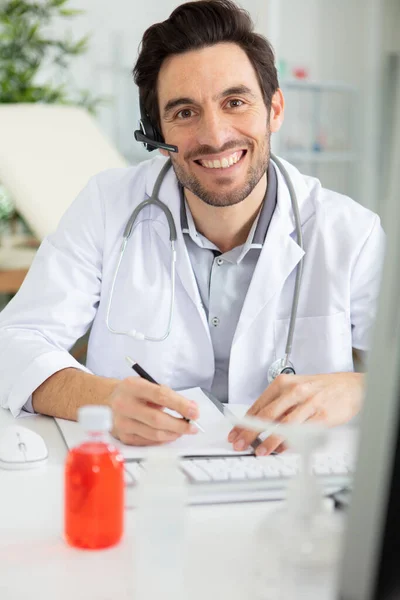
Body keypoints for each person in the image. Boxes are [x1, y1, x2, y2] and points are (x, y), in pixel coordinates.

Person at [0, 0, 384, 456]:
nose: (215, 135)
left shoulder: (349, 232)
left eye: (235, 102)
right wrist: (101, 398)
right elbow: (15, 344)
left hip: (297, 492)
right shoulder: (106, 205)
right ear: (154, 132)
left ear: (274, 109)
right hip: (138, 491)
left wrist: (361, 388)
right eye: (184, 112)